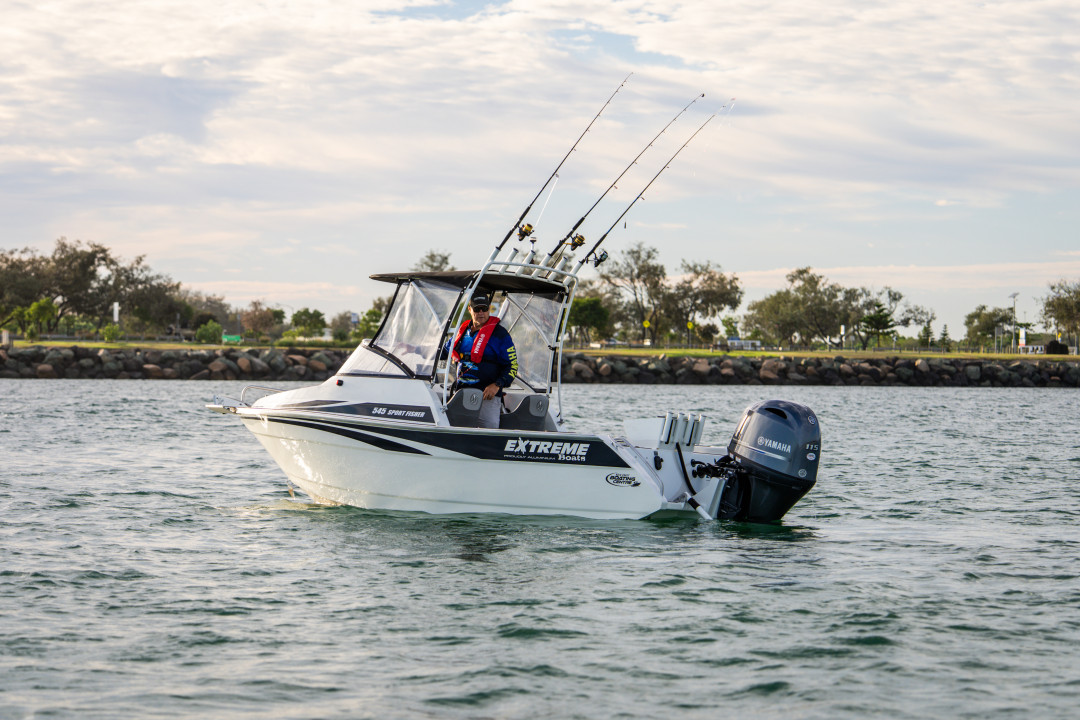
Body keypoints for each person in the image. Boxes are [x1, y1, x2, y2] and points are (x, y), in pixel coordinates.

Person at [448, 291, 518, 428]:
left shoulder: (500, 335)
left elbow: (512, 366)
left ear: (489, 308)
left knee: (489, 431)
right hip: (461, 395)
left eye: (484, 308)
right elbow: (443, 351)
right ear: (469, 309)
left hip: (488, 397)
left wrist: (497, 385)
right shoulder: (461, 333)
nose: (481, 312)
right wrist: (414, 348)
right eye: (477, 309)